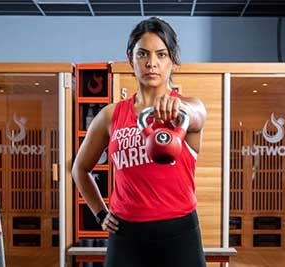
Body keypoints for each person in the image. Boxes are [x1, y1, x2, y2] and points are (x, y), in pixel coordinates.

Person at [72, 16, 207, 267]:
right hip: (126, 236)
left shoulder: (189, 108)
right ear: (130, 59)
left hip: (179, 234)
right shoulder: (110, 116)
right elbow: (80, 169)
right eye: (142, 54)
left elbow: (198, 116)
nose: (151, 63)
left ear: (174, 61)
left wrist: (179, 109)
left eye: (161, 54)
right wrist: (101, 213)